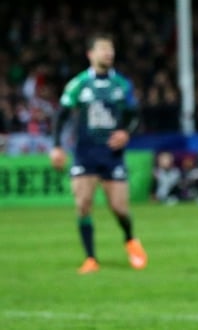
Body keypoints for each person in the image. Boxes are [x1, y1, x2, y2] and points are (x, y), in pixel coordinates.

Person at [49, 33, 148, 274]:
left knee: (120, 208)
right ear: (90, 54)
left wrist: (126, 132)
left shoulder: (121, 84)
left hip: (112, 154)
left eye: (111, 49)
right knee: (83, 204)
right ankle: (91, 258)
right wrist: (57, 146)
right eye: (103, 49)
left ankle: (130, 239)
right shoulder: (79, 84)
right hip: (85, 153)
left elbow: (135, 115)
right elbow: (60, 116)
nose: (108, 53)